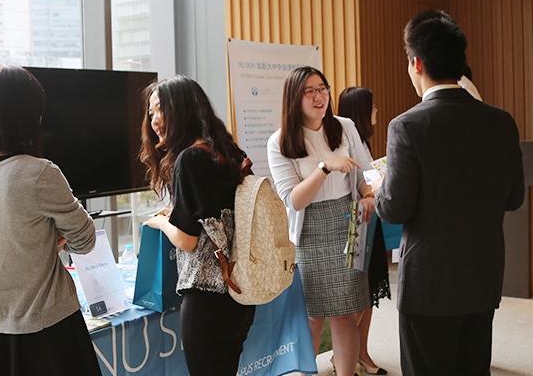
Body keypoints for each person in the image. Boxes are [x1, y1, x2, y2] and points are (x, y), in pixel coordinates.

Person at [374, 10, 525, 376]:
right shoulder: (500, 122)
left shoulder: (407, 126)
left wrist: (380, 188)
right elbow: (514, 198)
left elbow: (395, 208)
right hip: (481, 278)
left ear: (417, 63)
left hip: (429, 286)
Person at [0, 64, 101, 376]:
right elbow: (85, 240)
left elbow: (4, 234)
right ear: (23, 119)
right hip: (48, 333)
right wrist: (53, 238)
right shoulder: (38, 173)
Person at [139, 75, 256, 376]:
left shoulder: (189, 159)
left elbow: (189, 241)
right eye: (150, 112)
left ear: (179, 110)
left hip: (207, 295)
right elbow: (217, 214)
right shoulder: (225, 151)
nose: (153, 120)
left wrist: (160, 223)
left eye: (158, 110)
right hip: (239, 289)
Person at [267, 66, 376, 376]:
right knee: (312, 315)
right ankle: (304, 371)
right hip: (309, 231)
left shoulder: (345, 126)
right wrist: (324, 168)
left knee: (346, 312)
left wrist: (368, 194)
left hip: (348, 223)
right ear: (293, 98)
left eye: (323, 89)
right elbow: (294, 200)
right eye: (309, 91)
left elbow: (367, 173)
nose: (319, 97)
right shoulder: (280, 141)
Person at [337, 86, 391, 376]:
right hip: (356, 227)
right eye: (372, 106)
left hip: (370, 223)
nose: (376, 111)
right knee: (356, 295)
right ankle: (346, 355)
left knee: (368, 293)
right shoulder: (346, 144)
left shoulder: (363, 144)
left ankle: (361, 353)